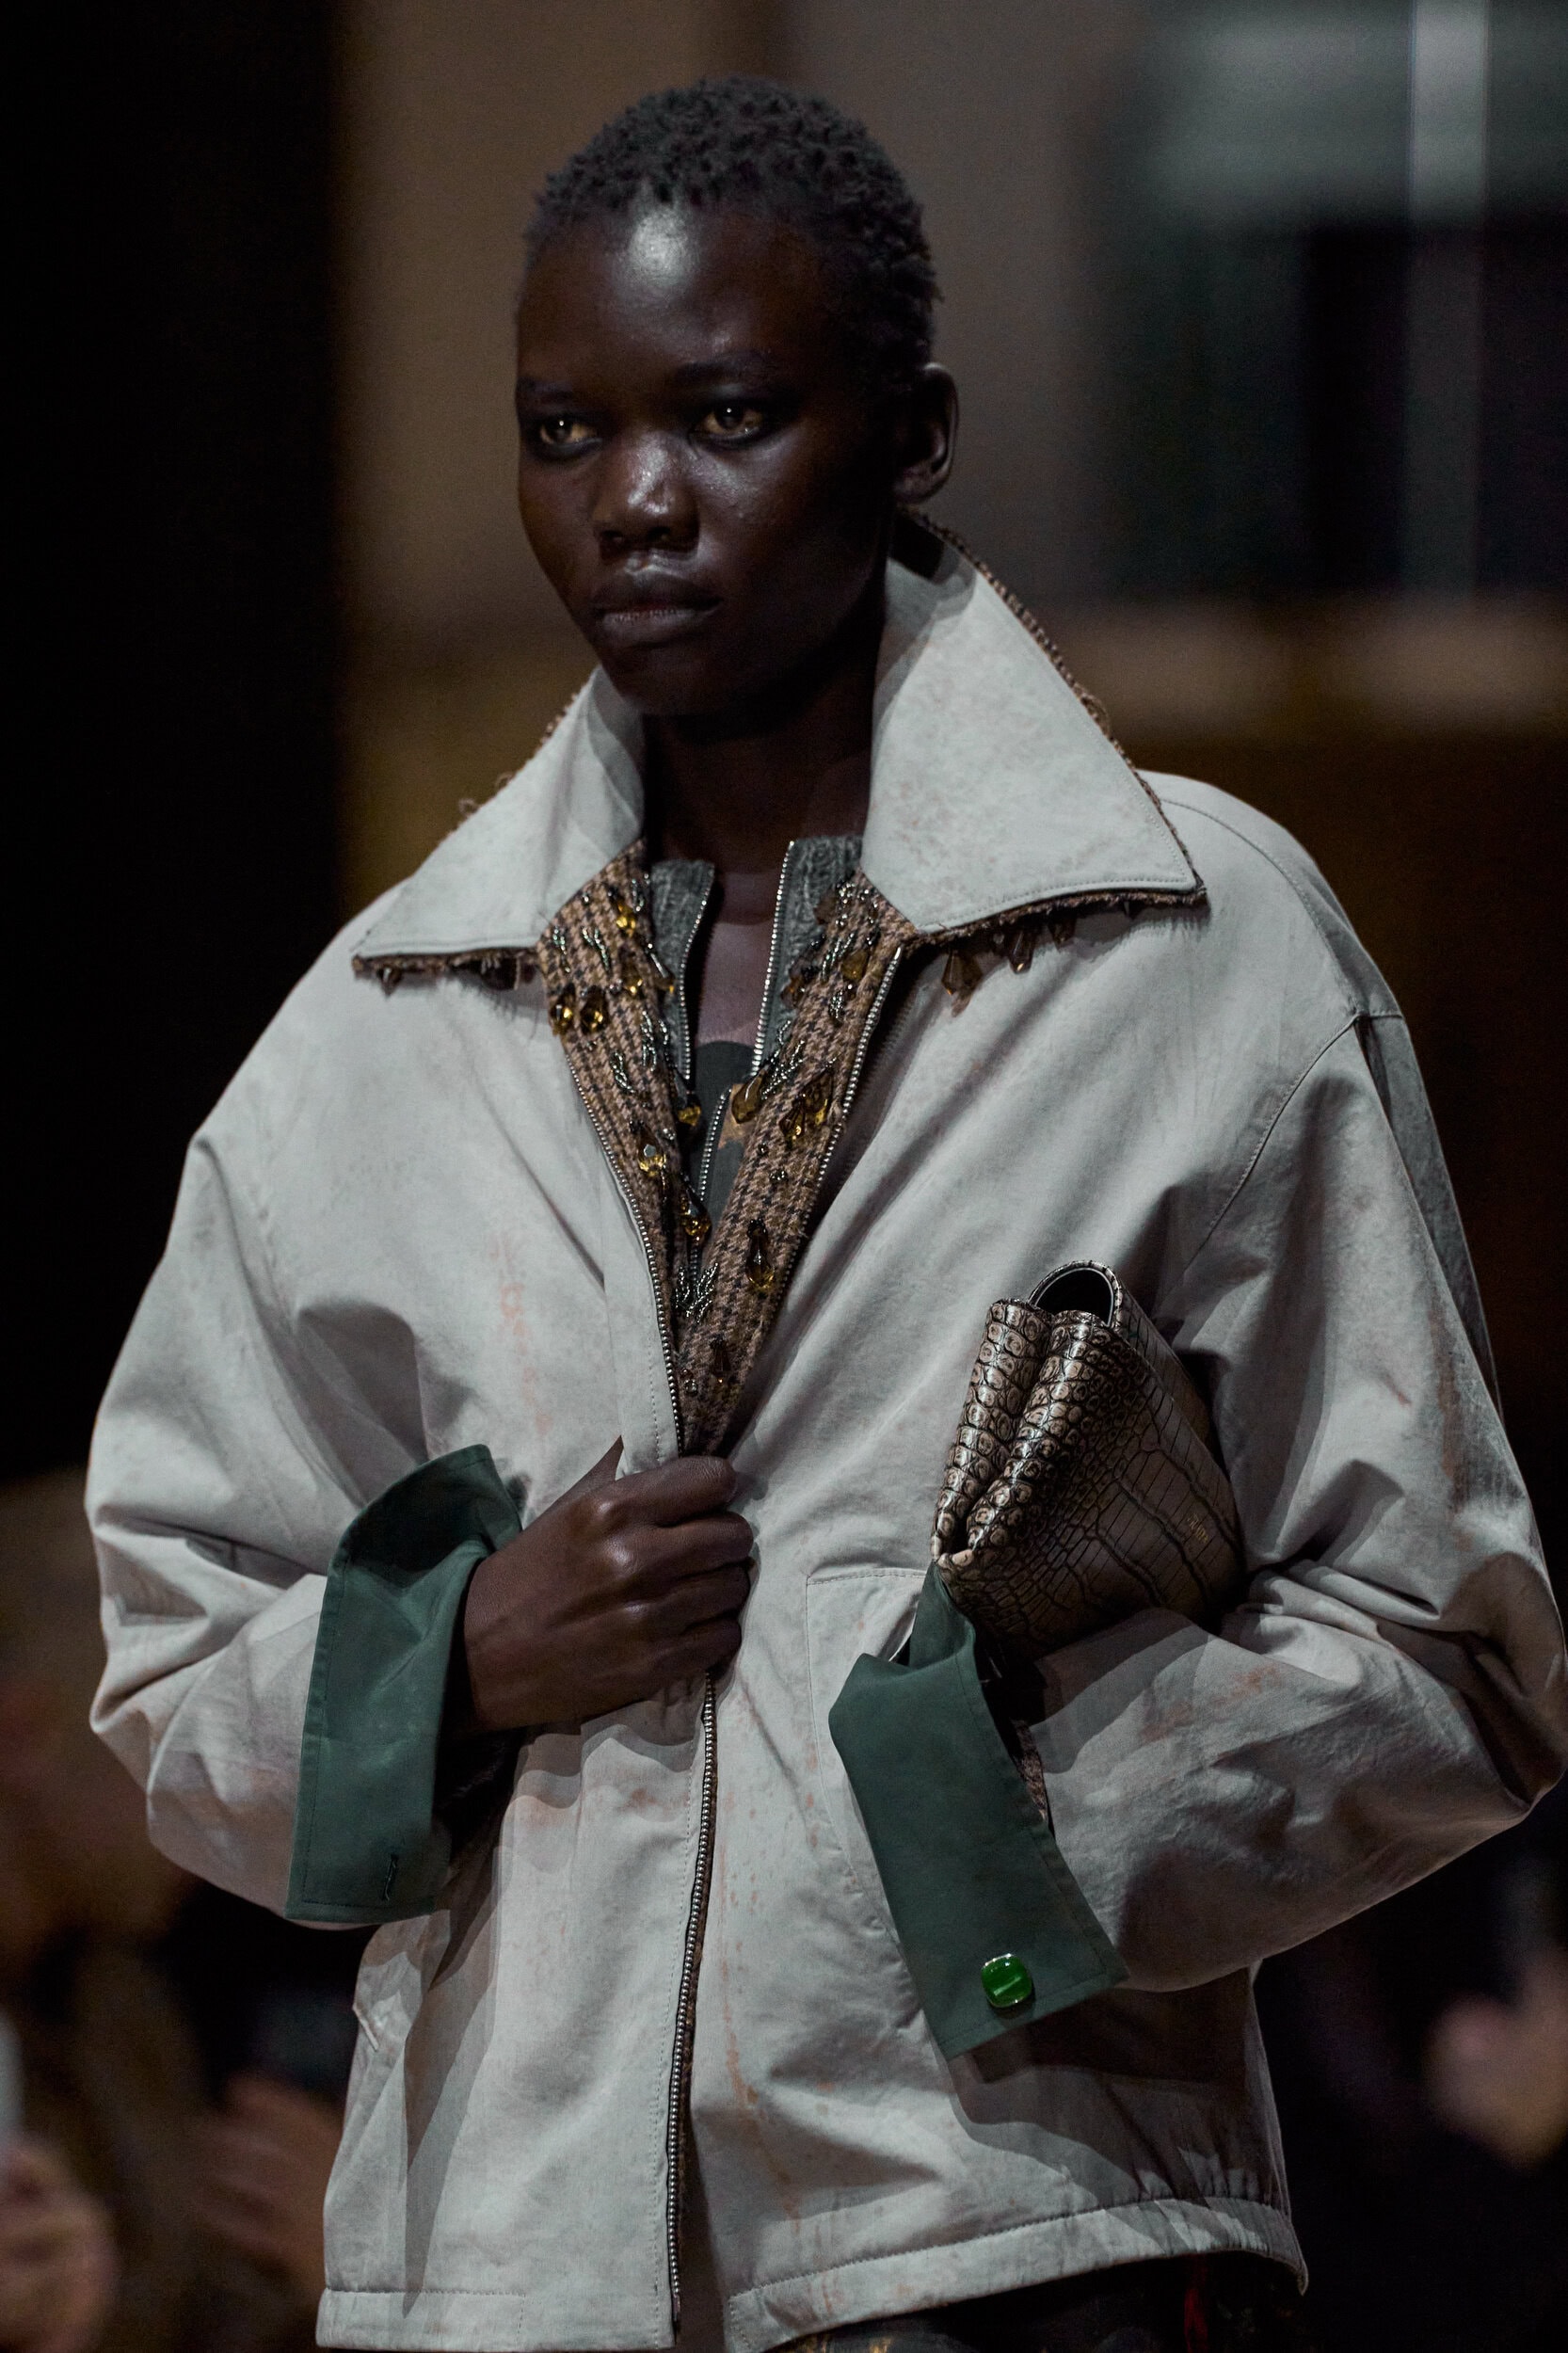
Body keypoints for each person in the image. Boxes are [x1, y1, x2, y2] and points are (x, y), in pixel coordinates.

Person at [88, 76, 1566, 2353]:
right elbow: (169, 1663)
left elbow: (1442, 1640)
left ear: (912, 435)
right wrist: (450, 1664)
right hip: (498, 2270)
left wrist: (1002, 1838)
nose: (634, 499)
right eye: (565, 431)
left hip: (1006, 2243)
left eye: (727, 415)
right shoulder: (381, 1021)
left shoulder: (1190, 945)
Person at [0, 1469, 338, 2353]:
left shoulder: (123, 2011)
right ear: (21, 1732)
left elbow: (194, 2310)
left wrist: (352, 2279)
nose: (227, 1796)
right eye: (176, 1735)